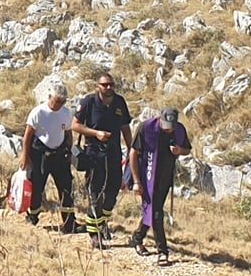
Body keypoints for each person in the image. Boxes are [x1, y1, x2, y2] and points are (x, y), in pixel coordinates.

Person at [72, 73, 133, 249]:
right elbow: (75, 125)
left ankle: (102, 222)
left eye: (111, 85)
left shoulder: (119, 102)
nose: (108, 88)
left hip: (113, 153)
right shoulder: (88, 102)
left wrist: (131, 150)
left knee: (112, 191)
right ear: (97, 86)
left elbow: (125, 127)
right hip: (94, 154)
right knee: (95, 193)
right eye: (105, 85)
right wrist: (96, 133)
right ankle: (94, 234)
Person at [128, 107, 192, 265]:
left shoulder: (179, 130)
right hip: (146, 175)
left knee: (152, 209)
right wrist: (136, 181)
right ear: (159, 119)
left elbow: (187, 150)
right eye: (166, 126)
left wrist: (179, 150)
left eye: (171, 127)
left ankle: (137, 238)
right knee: (156, 213)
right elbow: (133, 153)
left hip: (165, 178)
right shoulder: (145, 127)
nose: (169, 130)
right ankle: (162, 251)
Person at [21, 83, 77, 233]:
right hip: (40, 155)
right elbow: (27, 136)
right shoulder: (38, 112)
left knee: (66, 187)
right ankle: (32, 217)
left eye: (62, 101)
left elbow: (68, 132)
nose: (59, 104)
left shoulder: (66, 112)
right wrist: (25, 156)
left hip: (59, 155)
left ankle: (69, 222)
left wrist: (70, 150)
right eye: (56, 101)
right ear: (49, 97)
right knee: (37, 186)